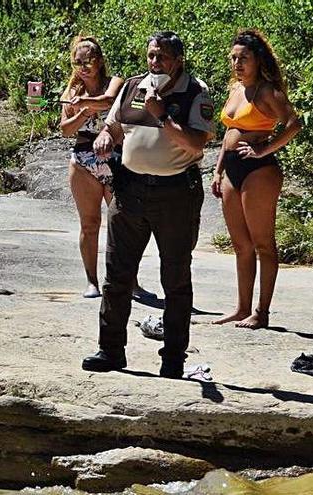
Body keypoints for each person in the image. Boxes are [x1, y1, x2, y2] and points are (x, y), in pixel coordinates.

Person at [81, 31, 214, 378]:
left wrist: (163, 117)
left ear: (178, 60)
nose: (155, 63)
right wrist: (106, 137)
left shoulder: (194, 92)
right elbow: (111, 127)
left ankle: (172, 360)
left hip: (176, 196)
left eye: (163, 57)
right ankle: (110, 350)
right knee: (117, 276)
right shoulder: (133, 87)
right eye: (152, 56)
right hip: (130, 192)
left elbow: (197, 144)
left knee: (175, 278)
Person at [211, 30, 301, 329]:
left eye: (244, 58)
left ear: (257, 59)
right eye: (234, 58)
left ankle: (261, 313)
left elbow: (293, 123)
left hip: (259, 171)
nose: (237, 63)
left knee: (263, 244)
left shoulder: (267, 91)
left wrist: (265, 149)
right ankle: (242, 308)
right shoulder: (236, 89)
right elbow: (229, 132)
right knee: (241, 245)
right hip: (232, 169)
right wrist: (218, 168)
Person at [59, 36, 151, 299]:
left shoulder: (115, 82)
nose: (83, 67)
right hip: (83, 158)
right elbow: (66, 130)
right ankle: (92, 281)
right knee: (89, 223)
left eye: (88, 61)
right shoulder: (71, 92)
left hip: (114, 158)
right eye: (78, 62)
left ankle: (130, 281)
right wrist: (82, 113)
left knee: (123, 223)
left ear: (99, 61)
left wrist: (86, 105)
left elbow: (110, 101)